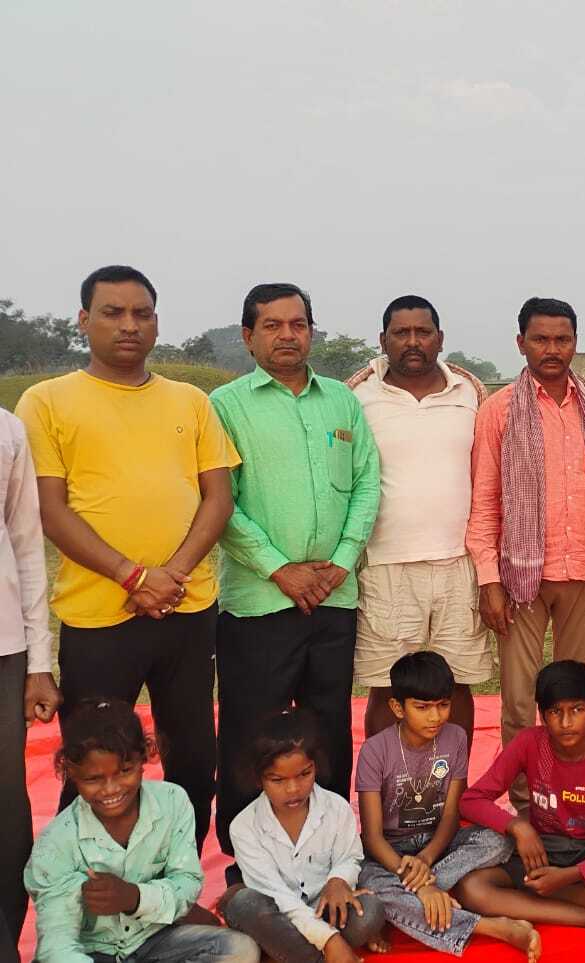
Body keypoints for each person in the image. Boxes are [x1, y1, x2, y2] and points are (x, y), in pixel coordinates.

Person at [16, 264, 237, 848]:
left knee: (194, 757)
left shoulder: (190, 401)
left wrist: (171, 576)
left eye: (142, 314)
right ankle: (88, 876)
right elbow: (51, 510)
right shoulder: (46, 402)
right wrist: (133, 576)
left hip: (187, 610)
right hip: (99, 616)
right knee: (94, 761)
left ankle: (178, 874)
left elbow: (218, 497)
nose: (129, 325)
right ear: (83, 320)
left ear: (157, 323)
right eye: (112, 313)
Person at [210, 283, 381, 871]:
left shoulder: (341, 401)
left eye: (298, 324)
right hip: (260, 601)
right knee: (251, 728)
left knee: (327, 723)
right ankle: (247, 859)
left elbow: (366, 483)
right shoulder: (225, 406)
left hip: (334, 594)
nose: (288, 335)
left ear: (311, 331)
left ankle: (331, 852)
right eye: (273, 325)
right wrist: (279, 569)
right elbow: (220, 501)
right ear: (248, 336)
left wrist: (342, 559)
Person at [466, 298, 585, 783]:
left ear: (575, 343)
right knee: (519, 700)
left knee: (577, 697)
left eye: (562, 339)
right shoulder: (498, 411)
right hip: (521, 578)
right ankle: (525, 799)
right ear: (521, 343)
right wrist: (489, 580)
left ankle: (575, 790)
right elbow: (485, 500)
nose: (552, 349)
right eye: (541, 339)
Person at [349, 295, 493, 746]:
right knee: (387, 685)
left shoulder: (469, 393)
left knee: (457, 682)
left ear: (440, 338)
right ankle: (385, 783)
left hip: (458, 562)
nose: (413, 341)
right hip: (386, 564)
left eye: (423, 332)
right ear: (383, 340)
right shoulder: (358, 396)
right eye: (401, 333)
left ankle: (454, 782)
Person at [24, 699, 260, 963]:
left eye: (124, 771)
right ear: (70, 771)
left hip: (153, 937)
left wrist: (134, 897)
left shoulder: (172, 802)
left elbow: (186, 884)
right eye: (93, 779)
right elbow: (57, 948)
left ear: (145, 756)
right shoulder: (55, 844)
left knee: (240, 949)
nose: (111, 789)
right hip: (91, 952)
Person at [457, 661, 585, 947]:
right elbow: (471, 800)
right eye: (555, 712)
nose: (565, 723)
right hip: (542, 849)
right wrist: (518, 827)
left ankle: (539, 895)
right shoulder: (529, 742)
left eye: (577, 710)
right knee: (470, 888)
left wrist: (568, 877)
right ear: (542, 715)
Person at [354, 652, 539, 959]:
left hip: (437, 845)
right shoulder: (375, 750)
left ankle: (413, 898)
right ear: (397, 707)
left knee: (499, 839)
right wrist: (417, 881)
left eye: (443, 705)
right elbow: (372, 837)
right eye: (422, 707)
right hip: (389, 851)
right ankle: (491, 927)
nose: (435, 717)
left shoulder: (455, 738)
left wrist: (425, 864)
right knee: (368, 882)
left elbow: (452, 815)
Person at [222, 709, 386, 963]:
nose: (293, 789)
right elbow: (275, 894)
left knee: (371, 912)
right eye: (277, 780)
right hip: (279, 913)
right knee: (244, 904)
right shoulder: (244, 826)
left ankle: (293, 953)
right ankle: (328, 954)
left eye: (304, 774)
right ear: (258, 778)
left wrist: (338, 880)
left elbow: (350, 857)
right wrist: (330, 940)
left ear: (315, 767)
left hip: (325, 909)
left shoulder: (336, 808)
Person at [0, 406, 60, 954]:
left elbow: (25, 545)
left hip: (4, 648)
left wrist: (39, 662)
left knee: (6, 807)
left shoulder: (6, 429)